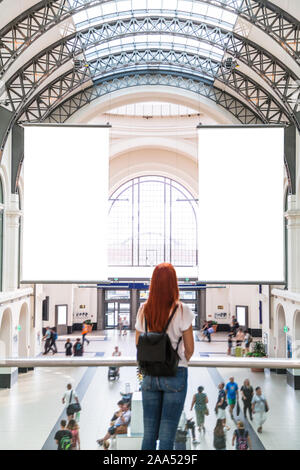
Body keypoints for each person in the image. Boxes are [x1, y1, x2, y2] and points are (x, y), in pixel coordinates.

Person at [135, 263, 194, 450]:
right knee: (168, 437)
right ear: (173, 284)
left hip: (150, 374)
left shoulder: (144, 309)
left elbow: (138, 343)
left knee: (149, 434)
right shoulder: (182, 309)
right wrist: (182, 358)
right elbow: (190, 349)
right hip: (175, 373)